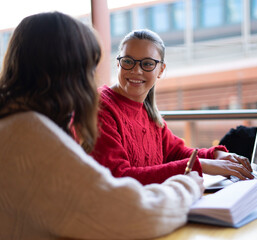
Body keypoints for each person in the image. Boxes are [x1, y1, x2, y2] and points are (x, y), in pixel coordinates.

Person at [0, 12, 205, 240]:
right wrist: (189, 185)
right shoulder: (30, 135)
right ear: (68, 74)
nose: (92, 82)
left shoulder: (16, 122)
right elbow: (134, 215)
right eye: (88, 69)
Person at [91, 29, 254, 185]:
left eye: (147, 64)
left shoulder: (149, 113)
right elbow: (119, 177)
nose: (136, 70)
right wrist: (200, 165)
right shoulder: (101, 108)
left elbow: (175, 153)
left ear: (161, 69)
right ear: (118, 63)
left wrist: (215, 155)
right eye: (128, 61)